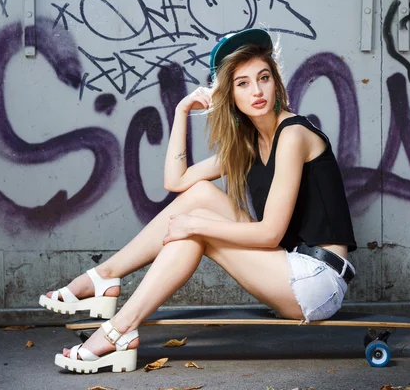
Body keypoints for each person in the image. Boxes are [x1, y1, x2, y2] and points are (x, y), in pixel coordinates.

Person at [39, 28, 357, 373]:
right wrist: (181, 109)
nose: (257, 91)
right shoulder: (249, 143)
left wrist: (196, 225)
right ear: (230, 95)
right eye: (243, 83)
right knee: (201, 194)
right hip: (286, 268)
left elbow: (270, 234)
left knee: (192, 231)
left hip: (318, 282)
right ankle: (108, 286)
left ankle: (116, 323)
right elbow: (176, 182)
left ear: (276, 82)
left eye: (263, 78)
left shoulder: (294, 133)